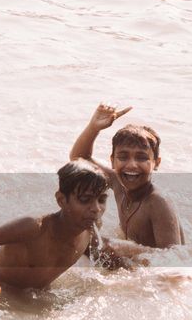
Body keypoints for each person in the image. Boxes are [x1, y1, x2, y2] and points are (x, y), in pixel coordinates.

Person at [0, 160, 134, 290]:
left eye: (101, 200)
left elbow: (110, 263)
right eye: (85, 199)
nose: (96, 209)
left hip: (40, 299)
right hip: (0, 297)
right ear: (61, 200)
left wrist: (144, 280)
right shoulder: (33, 227)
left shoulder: (89, 233)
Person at [69, 104, 183, 248]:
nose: (131, 165)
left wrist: (121, 249)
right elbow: (78, 158)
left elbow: (174, 259)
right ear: (112, 161)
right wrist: (94, 128)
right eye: (123, 157)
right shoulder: (118, 184)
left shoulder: (157, 203)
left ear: (156, 163)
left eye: (141, 158)